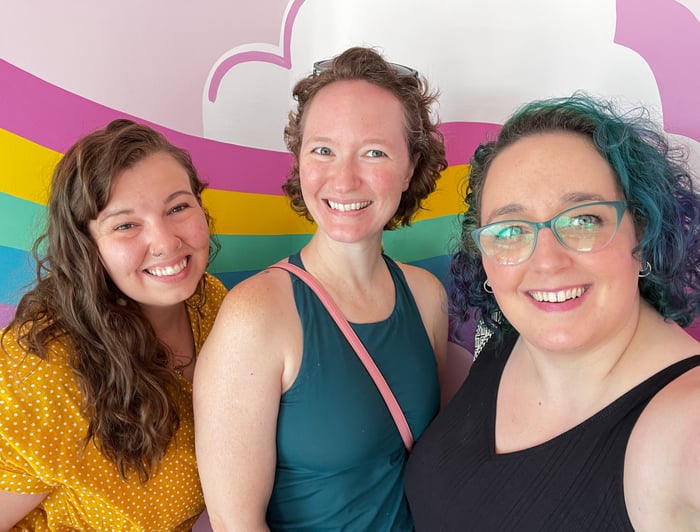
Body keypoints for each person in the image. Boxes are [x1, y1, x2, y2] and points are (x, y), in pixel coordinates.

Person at [404, 93, 700, 530]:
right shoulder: (505, 336)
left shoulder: (684, 425)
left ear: (642, 232)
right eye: (509, 229)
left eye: (583, 220)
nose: (546, 261)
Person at [194, 46, 449, 531]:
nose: (344, 178)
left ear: (411, 167)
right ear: (299, 159)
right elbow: (236, 525)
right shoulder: (257, 314)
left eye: (374, 152)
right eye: (323, 150)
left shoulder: (426, 297)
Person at [0, 119, 227, 530]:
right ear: (88, 246)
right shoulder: (44, 367)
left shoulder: (212, 304)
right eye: (125, 225)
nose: (166, 241)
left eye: (178, 207)